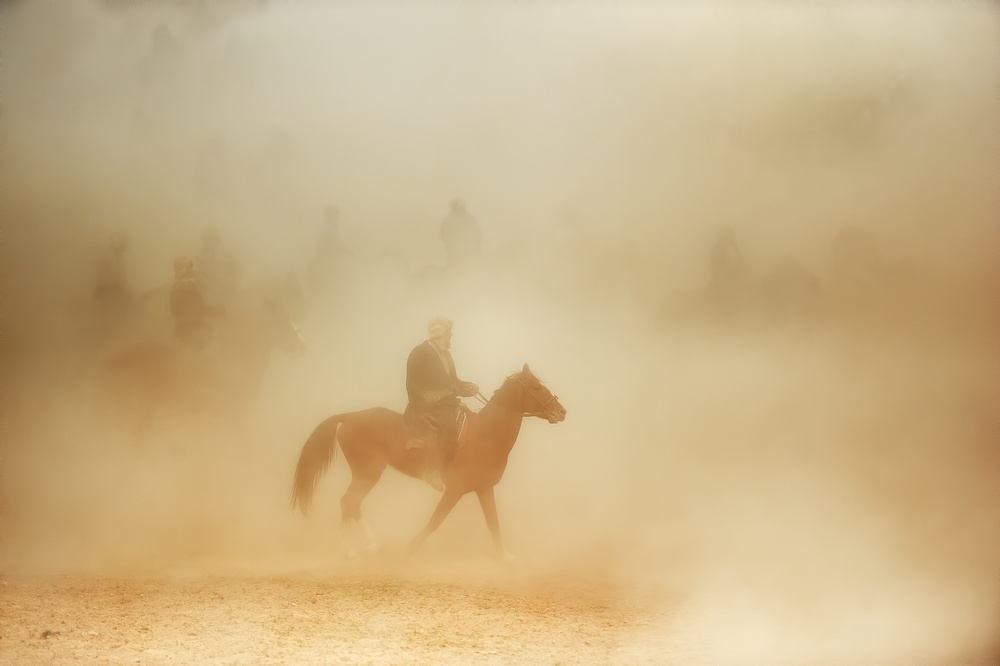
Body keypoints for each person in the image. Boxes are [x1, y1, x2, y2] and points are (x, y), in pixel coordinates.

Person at [404, 317, 479, 491]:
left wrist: (468, 388)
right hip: (426, 401)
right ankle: (432, 472)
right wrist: (421, 409)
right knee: (448, 425)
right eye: (449, 333)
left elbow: (452, 382)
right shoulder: (420, 352)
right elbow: (412, 383)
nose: (451, 336)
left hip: (444, 400)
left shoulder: (446, 355)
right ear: (441, 334)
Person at [169, 256, 224, 351]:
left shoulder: (185, 285)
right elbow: (197, 308)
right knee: (215, 349)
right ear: (183, 270)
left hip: (191, 326)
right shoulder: (182, 287)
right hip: (190, 329)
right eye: (189, 267)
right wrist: (221, 312)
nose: (192, 270)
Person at [440, 197, 483, 270]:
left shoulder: (447, 221)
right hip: (460, 253)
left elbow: (443, 237)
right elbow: (478, 237)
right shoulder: (470, 220)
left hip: (463, 253)